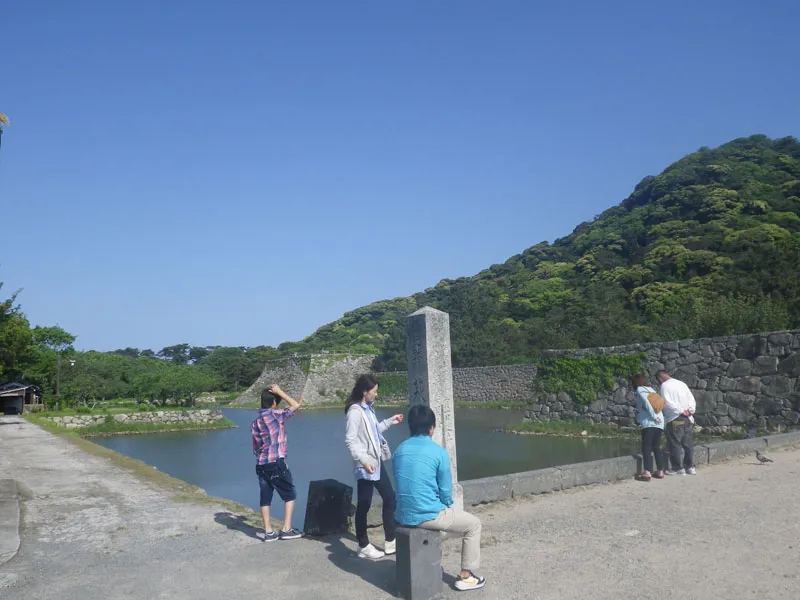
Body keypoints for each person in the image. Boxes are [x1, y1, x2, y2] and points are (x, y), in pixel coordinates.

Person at [393, 405, 486, 591]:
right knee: (473, 525)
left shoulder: (399, 450)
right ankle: (466, 576)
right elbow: (445, 491)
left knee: (439, 527)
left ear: (410, 426)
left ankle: (434, 566)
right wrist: (446, 504)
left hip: (402, 515)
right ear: (431, 428)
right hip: (426, 514)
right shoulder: (438, 452)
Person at [344, 374, 404, 560]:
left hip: (375, 462)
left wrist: (390, 421)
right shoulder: (355, 412)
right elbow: (350, 441)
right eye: (374, 391)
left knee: (389, 498)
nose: (376, 394)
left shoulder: (368, 409)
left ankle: (390, 541)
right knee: (364, 504)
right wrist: (363, 461)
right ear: (364, 392)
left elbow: (374, 430)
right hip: (366, 465)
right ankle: (363, 545)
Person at [251, 384, 304, 541]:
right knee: (290, 494)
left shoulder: (255, 421)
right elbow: (295, 405)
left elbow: (256, 447)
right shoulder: (275, 415)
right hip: (275, 463)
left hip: (261, 464)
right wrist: (280, 391)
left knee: (265, 498)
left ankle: (268, 532)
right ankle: (286, 529)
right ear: (274, 402)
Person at [656, 369, 697, 476]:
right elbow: (691, 399)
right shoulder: (682, 384)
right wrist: (690, 410)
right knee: (687, 443)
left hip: (675, 418)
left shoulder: (665, 386)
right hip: (688, 418)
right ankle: (690, 466)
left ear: (660, 378)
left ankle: (677, 467)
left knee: (675, 442)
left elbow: (667, 402)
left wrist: (680, 410)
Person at [632, 374, 665, 481]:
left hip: (649, 422)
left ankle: (647, 472)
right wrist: (658, 418)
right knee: (656, 446)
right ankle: (660, 470)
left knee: (646, 446)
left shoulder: (640, 390)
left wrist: (654, 417)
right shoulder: (651, 389)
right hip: (660, 423)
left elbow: (647, 403)